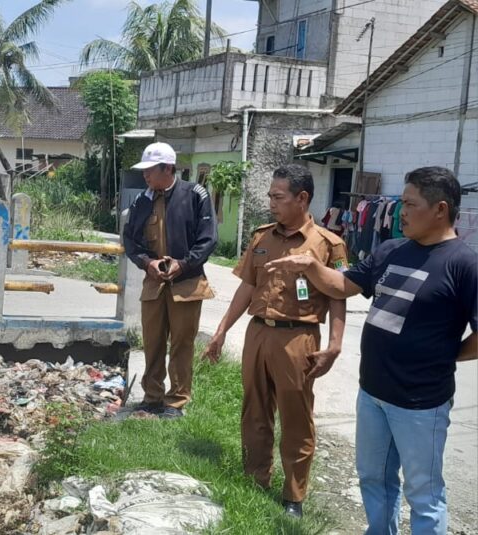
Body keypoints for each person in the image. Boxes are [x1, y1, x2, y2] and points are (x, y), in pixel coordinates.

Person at [263, 166, 477, 534]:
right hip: (373, 392)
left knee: (423, 492)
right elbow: (344, 285)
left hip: (421, 402)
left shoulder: (464, 264)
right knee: (373, 479)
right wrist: (313, 266)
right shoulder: (392, 250)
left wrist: (448, 354)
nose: (401, 213)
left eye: (410, 204)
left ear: (440, 210)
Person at [203, 164, 348, 518]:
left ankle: (293, 497)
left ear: (302, 198)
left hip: (298, 338)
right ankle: (256, 481)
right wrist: (222, 330)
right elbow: (247, 286)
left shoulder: (329, 244)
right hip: (258, 332)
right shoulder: (262, 237)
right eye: (270, 196)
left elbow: (337, 294)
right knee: (254, 411)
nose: (271, 203)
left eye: (278, 197)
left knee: (297, 417)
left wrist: (335, 343)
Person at [122, 142, 218, 419]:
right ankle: (152, 397)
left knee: (181, 343)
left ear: (168, 168)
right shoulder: (143, 200)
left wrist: (184, 263)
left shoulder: (195, 194)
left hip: (186, 283)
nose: (145, 176)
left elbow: (208, 238)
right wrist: (146, 262)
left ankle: (175, 402)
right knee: (152, 341)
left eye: (150, 170)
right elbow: (131, 240)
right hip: (154, 283)